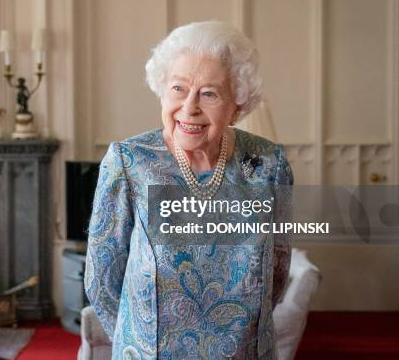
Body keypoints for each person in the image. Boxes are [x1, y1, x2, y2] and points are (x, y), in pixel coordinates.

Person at [85, 21, 293, 359]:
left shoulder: (269, 165)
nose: (189, 107)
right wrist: (139, 341)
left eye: (209, 93)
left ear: (237, 105)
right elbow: (102, 280)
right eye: (179, 88)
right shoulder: (129, 163)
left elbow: (277, 274)